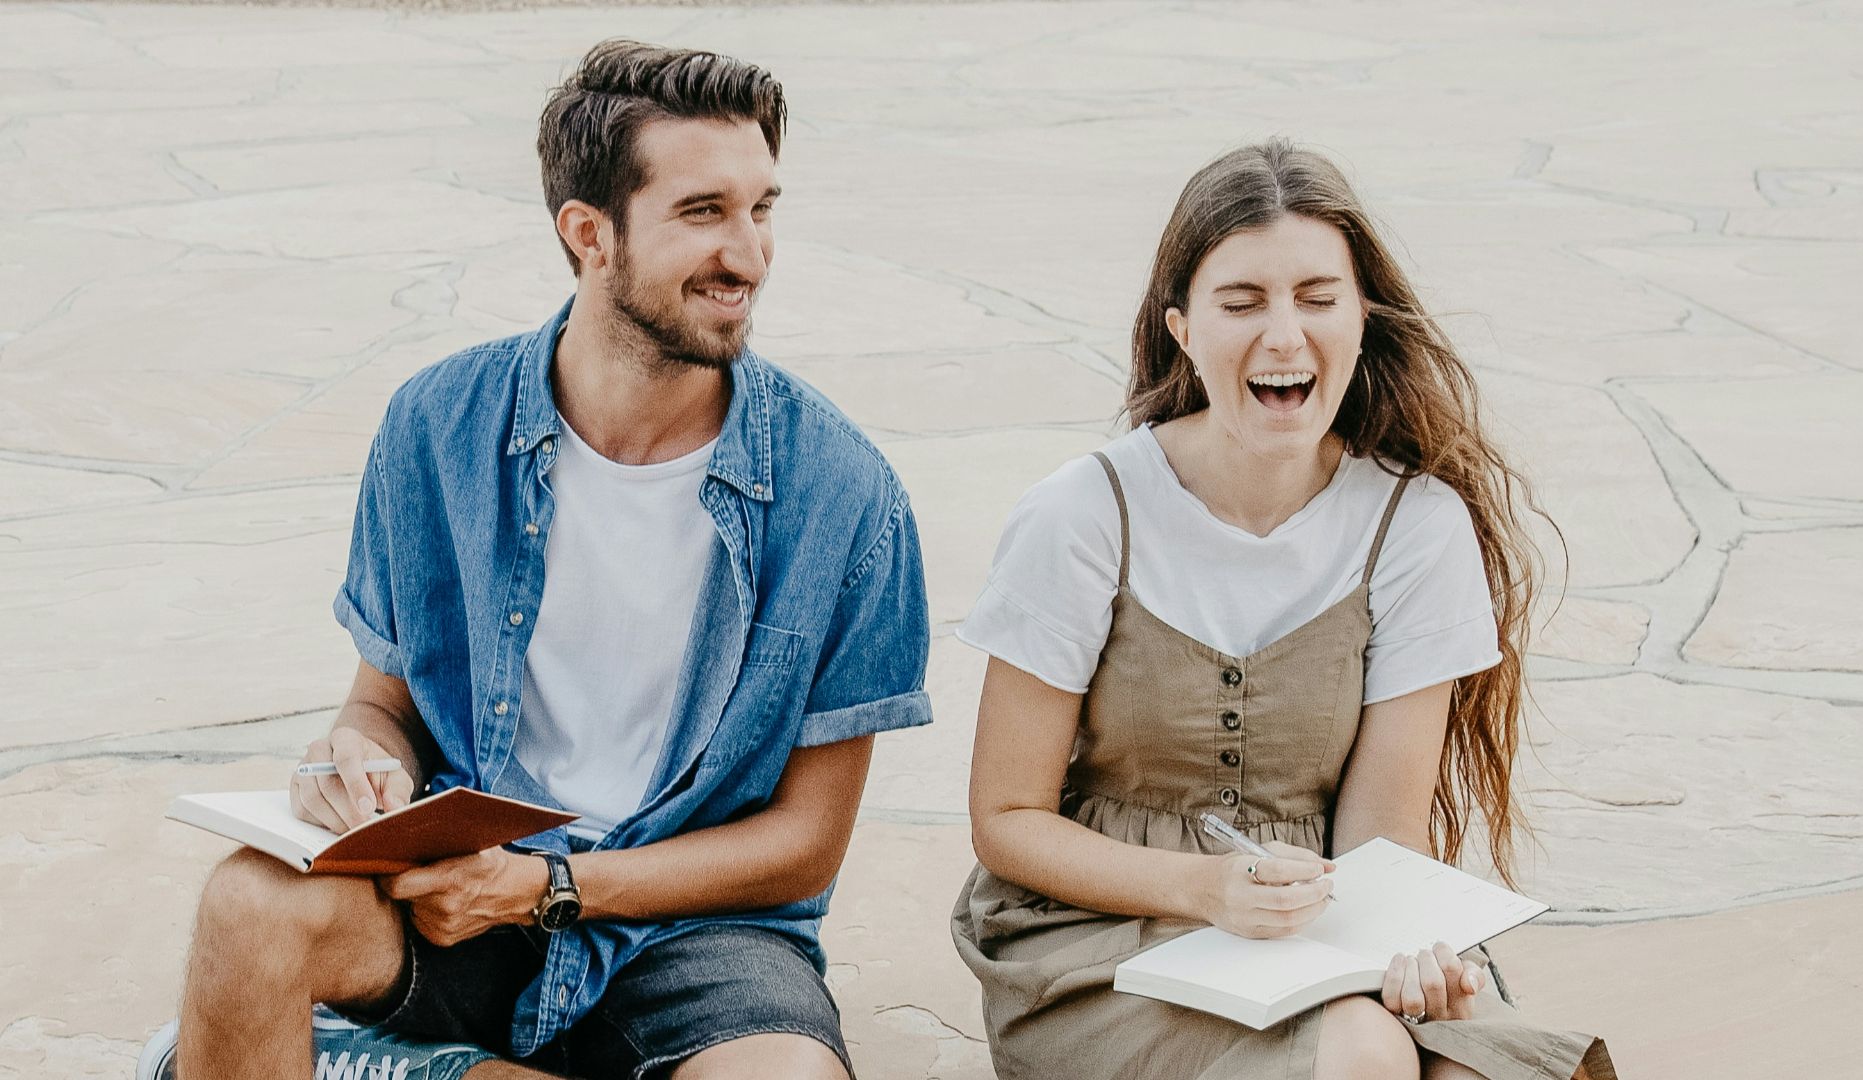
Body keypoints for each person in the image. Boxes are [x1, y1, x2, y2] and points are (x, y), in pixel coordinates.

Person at [137, 40, 931, 1080]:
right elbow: (381, 703)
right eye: (704, 214)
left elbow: (802, 844)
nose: (749, 255)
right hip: (456, 894)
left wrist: (553, 887)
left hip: (692, 929)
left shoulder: (844, 492)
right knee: (247, 902)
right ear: (588, 233)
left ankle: (365, 1066)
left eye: (761, 209)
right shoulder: (439, 426)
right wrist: (362, 758)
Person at [951, 139, 1618, 1080]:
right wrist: (1206, 887)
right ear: (1182, 328)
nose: (1283, 335)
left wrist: (1410, 950)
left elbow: (1382, 838)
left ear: (1359, 317)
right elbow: (1007, 818)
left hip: (1325, 923)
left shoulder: (1415, 525)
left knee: (1467, 1066)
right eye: (1242, 302)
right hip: (1096, 939)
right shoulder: (1084, 513)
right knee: (1358, 1053)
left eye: (1317, 298)